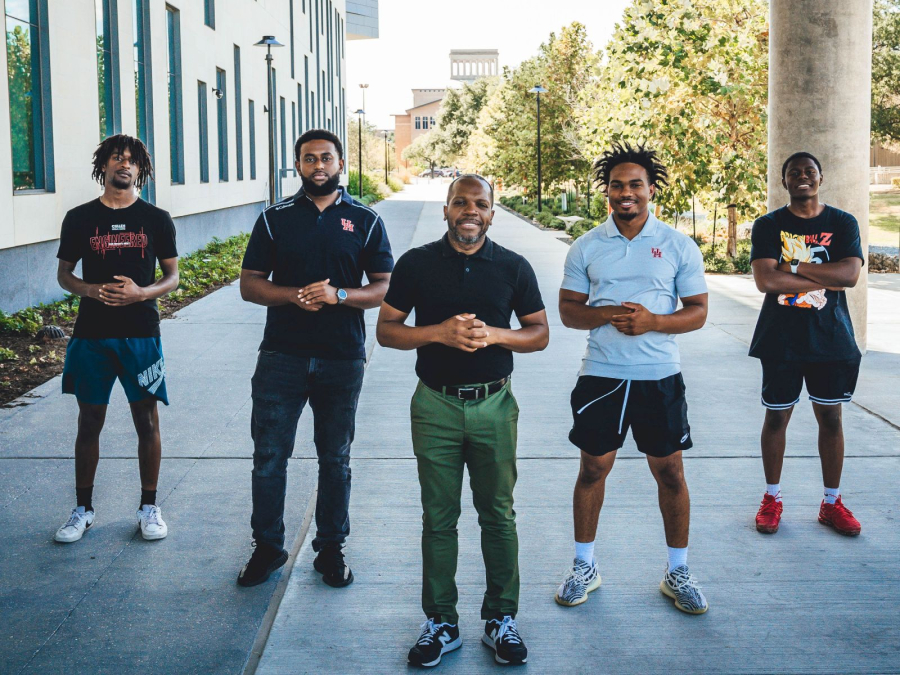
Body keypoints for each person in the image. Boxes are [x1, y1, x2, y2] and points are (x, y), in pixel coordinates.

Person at [377, 174, 549, 667]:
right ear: (446, 210)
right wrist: (439, 333)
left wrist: (494, 335)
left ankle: (501, 619)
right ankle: (442, 622)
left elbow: (538, 334)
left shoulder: (513, 267)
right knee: (439, 517)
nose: (469, 210)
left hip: (495, 404)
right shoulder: (416, 264)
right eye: (460, 202)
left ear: (492, 213)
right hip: (435, 405)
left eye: (480, 204)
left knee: (498, 514)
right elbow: (388, 331)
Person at [555, 142, 709, 615]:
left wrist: (654, 322)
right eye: (618, 185)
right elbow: (568, 311)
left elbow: (698, 312)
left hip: (659, 376)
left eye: (635, 185)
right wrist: (604, 314)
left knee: (670, 472)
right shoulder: (587, 246)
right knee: (593, 469)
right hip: (601, 375)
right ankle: (585, 566)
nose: (626, 193)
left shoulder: (679, 245)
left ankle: (677, 570)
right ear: (607, 192)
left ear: (651, 190)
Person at [237, 129, 394, 588]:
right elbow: (250, 284)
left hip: (342, 358)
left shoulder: (365, 219)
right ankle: (267, 548)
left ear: (340, 164)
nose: (319, 166)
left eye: (327, 158)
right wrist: (293, 295)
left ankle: (330, 549)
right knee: (269, 457)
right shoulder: (274, 219)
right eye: (309, 159)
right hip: (281, 357)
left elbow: (384, 287)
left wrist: (338, 294)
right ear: (298, 165)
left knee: (335, 458)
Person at [54, 134, 179, 544]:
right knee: (89, 420)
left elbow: (172, 277)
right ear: (103, 166)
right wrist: (90, 290)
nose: (123, 164)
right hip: (92, 334)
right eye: (116, 158)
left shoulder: (157, 218)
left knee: (146, 419)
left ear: (140, 169)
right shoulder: (79, 217)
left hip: (141, 333)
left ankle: (149, 508)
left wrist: (142, 293)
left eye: (131, 160)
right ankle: (82, 510)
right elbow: (65, 274)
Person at [749, 152, 864, 537]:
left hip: (829, 337)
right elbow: (766, 281)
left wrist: (793, 268)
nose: (802, 177)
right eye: (794, 172)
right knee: (777, 416)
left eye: (809, 172)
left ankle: (831, 503)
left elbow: (849, 275)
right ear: (784, 181)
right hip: (780, 339)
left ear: (820, 178)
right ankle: (771, 498)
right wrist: (823, 279)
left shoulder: (842, 222)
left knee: (831, 418)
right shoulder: (769, 225)